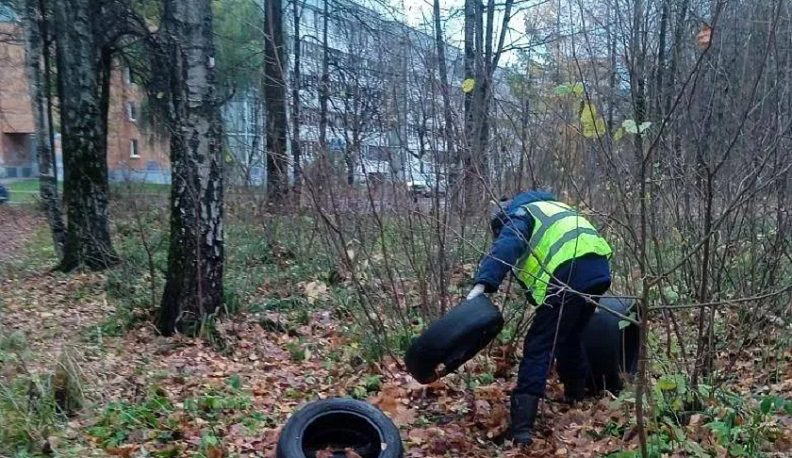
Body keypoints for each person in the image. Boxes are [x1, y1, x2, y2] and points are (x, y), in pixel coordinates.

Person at [467, 190, 613, 445]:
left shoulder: (520, 214)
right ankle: (576, 395)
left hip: (568, 273)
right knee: (569, 335)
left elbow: (508, 245)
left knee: (539, 344)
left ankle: (522, 428)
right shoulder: (551, 207)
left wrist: (483, 283)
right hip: (598, 271)